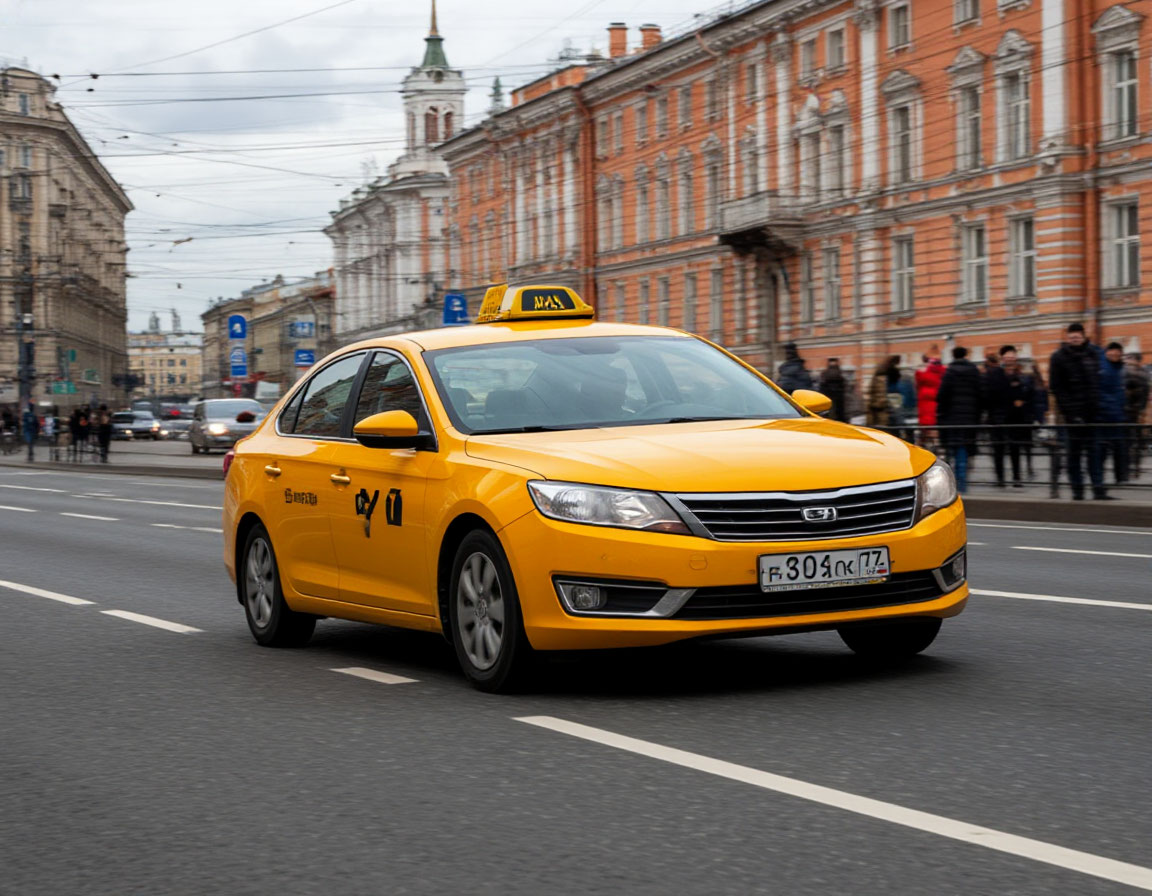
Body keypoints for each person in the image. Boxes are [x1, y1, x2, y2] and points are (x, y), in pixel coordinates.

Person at [1049, 322, 1107, 500]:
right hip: (1072, 415)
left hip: (1092, 413)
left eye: (1077, 336)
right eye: (1072, 336)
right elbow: (1057, 387)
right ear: (1067, 337)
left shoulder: (1093, 353)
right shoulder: (1059, 357)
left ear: (1083, 336)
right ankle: (1077, 490)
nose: (1075, 339)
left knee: (1094, 453)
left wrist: (1097, 406)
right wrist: (1070, 412)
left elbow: (1097, 383)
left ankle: (1098, 489)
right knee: (1074, 454)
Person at [936, 347, 983, 492]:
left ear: (953, 355)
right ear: (966, 355)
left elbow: (941, 396)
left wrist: (941, 414)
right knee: (963, 448)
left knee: (952, 449)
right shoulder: (974, 371)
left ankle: (952, 483)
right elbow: (981, 394)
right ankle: (962, 483)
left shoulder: (949, 372)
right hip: (969, 417)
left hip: (952, 418)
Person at [1097, 342, 1128, 485]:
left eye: (1118, 351)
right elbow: (1101, 392)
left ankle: (1120, 477)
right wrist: (1108, 407)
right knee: (1102, 448)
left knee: (1119, 447)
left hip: (1117, 415)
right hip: (1104, 416)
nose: (1115, 354)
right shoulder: (1103, 367)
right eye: (1113, 351)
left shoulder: (1119, 367)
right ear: (1107, 352)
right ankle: (1099, 477)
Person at [1125, 352, 1150, 479]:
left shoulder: (1137, 374)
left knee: (1131, 441)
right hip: (1137, 413)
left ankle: (1132, 468)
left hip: (1133, 413)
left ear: (1136, 360)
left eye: (1129, 359)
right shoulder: (1144, 373)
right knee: (1135, 442)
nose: (1127, 361)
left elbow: (1141, 394)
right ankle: (1135, 469)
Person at [915, 352, 945, 448]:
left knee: (925, 430)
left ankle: (922, 447)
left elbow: (917, 385)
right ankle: (936, 446)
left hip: (924, 408)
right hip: (938, 407)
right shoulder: (943, 372)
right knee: (935, 429)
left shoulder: (922, 373)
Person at [866, 356, 900, 430]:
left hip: (880, 406)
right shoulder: (889, 375)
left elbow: (871, 391)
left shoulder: (878, 375)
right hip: (885, 405)